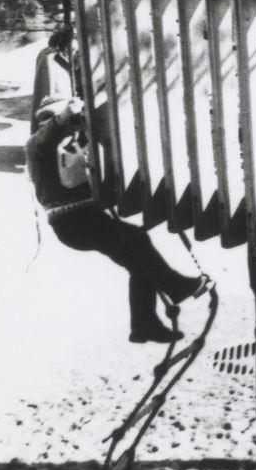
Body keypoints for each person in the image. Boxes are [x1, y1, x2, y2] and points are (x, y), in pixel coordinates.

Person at [25, 94, 211, 344]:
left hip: (82, 219)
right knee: (136, 239)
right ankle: (175, 286)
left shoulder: (59, 146)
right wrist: (65, 116)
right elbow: (49, 135)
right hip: (73, 221)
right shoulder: (37, 143)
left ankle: (144, 325)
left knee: (140, 265)